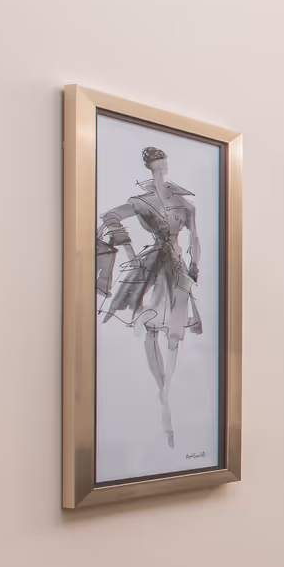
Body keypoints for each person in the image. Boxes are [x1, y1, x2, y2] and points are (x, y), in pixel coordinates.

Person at [98, 146, 202, 449]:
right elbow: (110, 216)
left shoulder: (182, 203)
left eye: (162, 165)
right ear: (150, 167)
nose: (161, 170)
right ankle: (162, 391)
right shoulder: (142, 201)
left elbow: (194, 237)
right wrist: (128, 248)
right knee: (151, 326)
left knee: (174, 332)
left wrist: (194, 264)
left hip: (177, 265)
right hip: (154, 261)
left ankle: (166, 392)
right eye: (156, 165)